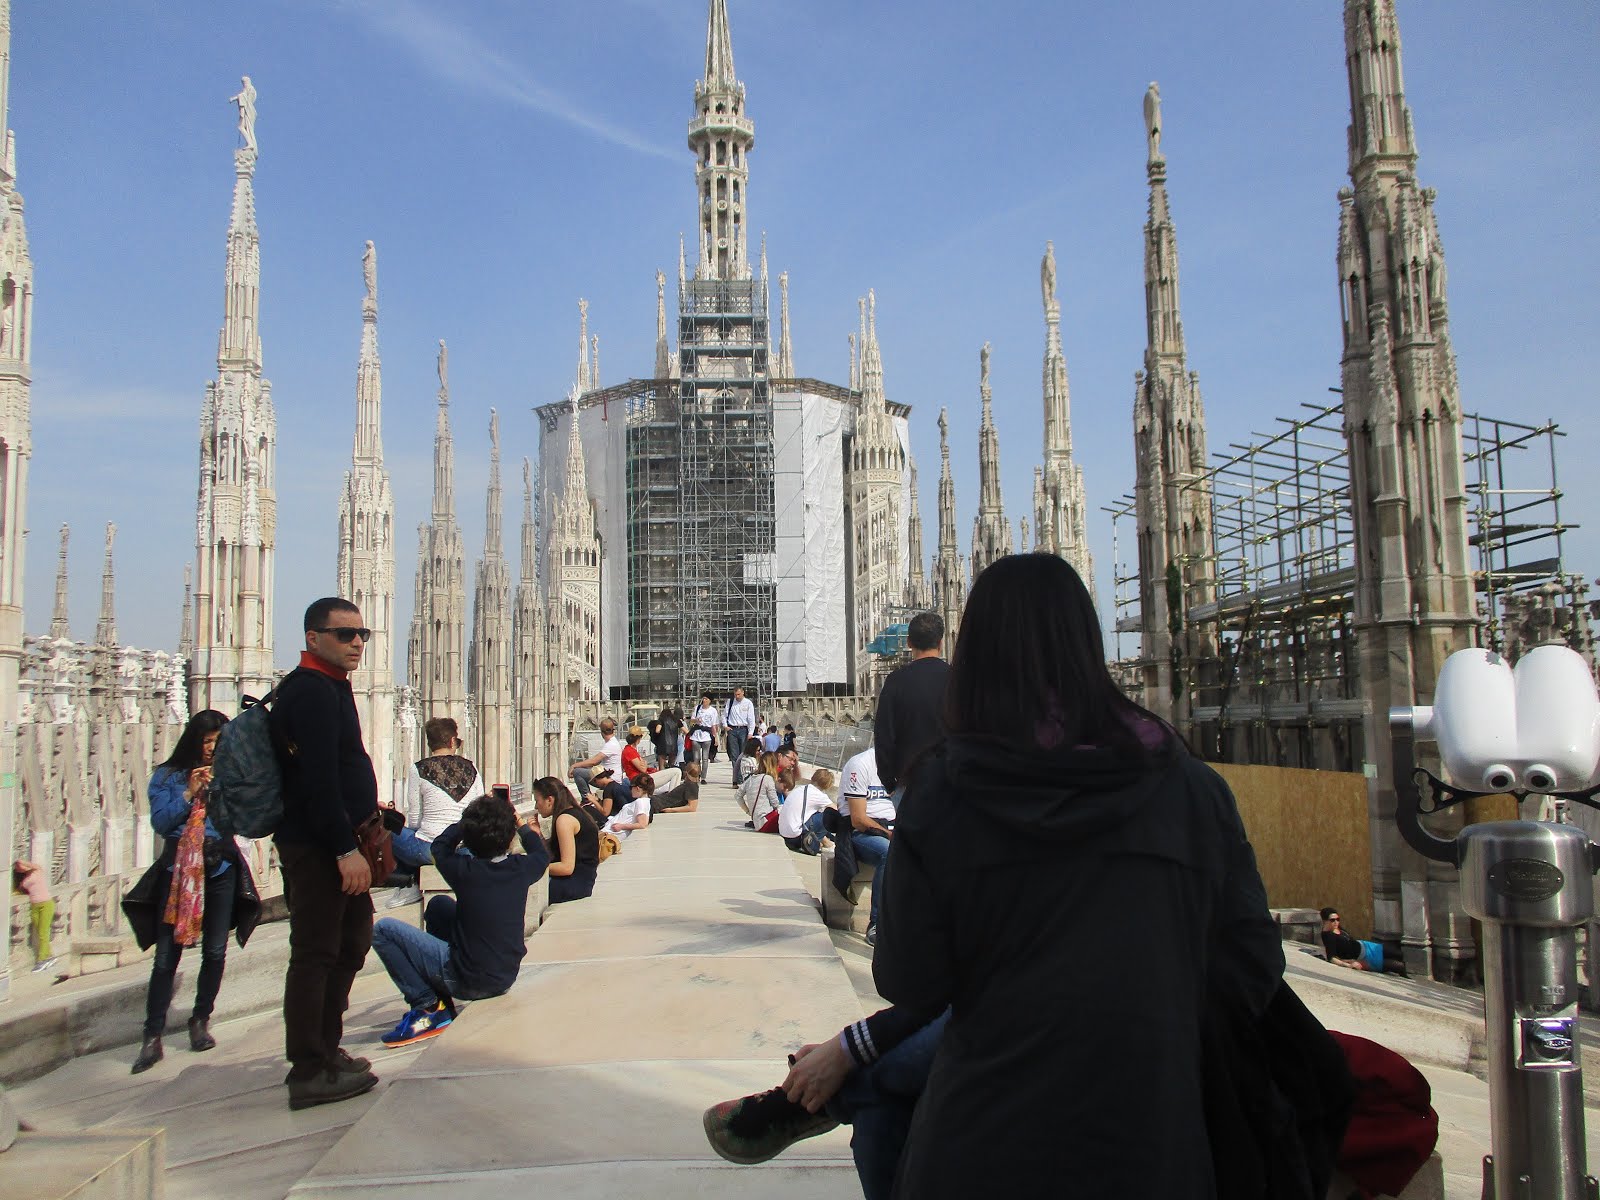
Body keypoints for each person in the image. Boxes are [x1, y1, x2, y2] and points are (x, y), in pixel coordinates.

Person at [870, 554, 1286, 1198]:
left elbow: (907, 976)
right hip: (1153, 1146)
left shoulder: (942, 794)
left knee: (874, 1111)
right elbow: (1252, 964)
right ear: (1088, 646)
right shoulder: (1193, 791)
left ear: (975, 657)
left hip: (982, 1150)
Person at [271, 597, 384, 1111]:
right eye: (345, 634)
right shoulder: (313, 692)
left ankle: (325, 1048)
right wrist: (343, 849)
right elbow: (316, 781)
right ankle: (308, 1069)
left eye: (362, 634)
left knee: (351, 940)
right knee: (316, 953)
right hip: (320, 849)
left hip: (342, 839)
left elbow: (337, 770)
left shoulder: (330, 687)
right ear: (313, 638)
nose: (357, 642)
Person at [124, 709, 261, 1074]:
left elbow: (246, 819)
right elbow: (161, 821)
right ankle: (151, 1035)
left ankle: (200, 1020)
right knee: (166, 957)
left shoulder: (230, 774)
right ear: (194, 741)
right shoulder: (168, 777)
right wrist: (190, 792)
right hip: (178, 872)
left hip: (220, 868)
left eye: (219, 742)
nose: (212, 749)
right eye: (208, 741)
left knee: (215, 951)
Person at [371, 794, 550, 1047]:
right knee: (439, 906)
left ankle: (428, 1007)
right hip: (504, 976)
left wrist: (464, 822)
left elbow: (439, 847)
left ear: (469, 837)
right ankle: (442, 997)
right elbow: (541, 855)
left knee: (383, 930)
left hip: (468, 981)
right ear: (510, 837)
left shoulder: (464, 870)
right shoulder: (520, 869)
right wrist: (519, 823)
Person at [389, 717, 486, 902]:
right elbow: (480, 810)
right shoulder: (471, 768)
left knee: (389, 829)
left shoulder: (418, 769)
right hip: (465, 849)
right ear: (451, 741)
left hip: (429, 850)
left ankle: (408, 884)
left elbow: (415, 819)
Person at [873, 611, 950, 796]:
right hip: (952, 785)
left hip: (910, 786)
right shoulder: (958, 680)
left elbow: (883, 737)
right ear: (941, 642)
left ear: (908, 643)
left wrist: (890, 783)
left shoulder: (895, 681)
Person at [838, 746, 894, 945]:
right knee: (889, 852)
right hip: (862, 832)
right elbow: (858, 819)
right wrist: (889, 834)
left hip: (893, 826)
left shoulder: (904, 765)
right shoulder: (861, 764)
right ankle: (877, 924)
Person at [533, 777, 600, 903]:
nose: (536, 806)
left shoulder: (564, 820)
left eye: (537, 800)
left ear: (549, 800)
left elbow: (566, 867)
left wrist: (531, 866)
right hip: (582, 883)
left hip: (572, 885)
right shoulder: (575, 813)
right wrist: (538, 836)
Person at [1321, 907, 1405, 974]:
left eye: (1337, 919)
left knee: (1398, 953)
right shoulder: (1328, 936)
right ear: (1325, 921)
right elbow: (1331, 958)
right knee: (1398, 966)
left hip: (1366, 946)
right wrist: (1348, 965)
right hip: (1364, 958)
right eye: (1332, 920)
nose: (1336, 922)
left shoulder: (1337, 927)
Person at [11, 860, 56, 974]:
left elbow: (32, 865)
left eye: (20, 867)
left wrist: (20, 862)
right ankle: (50, 956)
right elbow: (18, 891)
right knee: (39, 932)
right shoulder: (23, 879)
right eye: (17, 868)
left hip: (46, 903)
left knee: (43, 932)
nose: (19, 868)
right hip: (34, 905)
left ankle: (41, 960)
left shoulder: (37, 871)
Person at [779, 768, 835, 855]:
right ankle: (817, 843)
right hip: (796, 837)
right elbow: (837, 811)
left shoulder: (800, 789)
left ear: (813, 778)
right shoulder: (819, 794)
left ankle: (826, 843)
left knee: (816, 814)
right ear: (827, 785)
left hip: (785, 835)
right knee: (830, 816)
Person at [569, 718, 621, 800]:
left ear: (601, 732)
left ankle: (586, 799)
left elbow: (594, 761)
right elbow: (596, 762)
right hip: (611, 776)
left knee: (578, 772)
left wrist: (574, 765)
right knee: (583, 769)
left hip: (610, 778)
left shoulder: (611, 744)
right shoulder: (613, 742)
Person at [603, 774, 655, 842]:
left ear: (637, 788)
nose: (630, 790)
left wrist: (621, 826)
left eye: (631, 787)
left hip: (611, 833)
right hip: (610, 832)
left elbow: (642, 824)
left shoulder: (640, 802)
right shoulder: (645, 801)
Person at [724, 687, 756, 783]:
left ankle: (742, 776)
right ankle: (737, 778)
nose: (737, 696)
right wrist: (725, 726)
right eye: (735, 695)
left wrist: (750, 732)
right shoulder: (730, 702)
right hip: (732, 729)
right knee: (734, 755)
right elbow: (724, 715)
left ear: (743, 693)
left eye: (738, 694)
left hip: (743, 729)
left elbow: (751, 719)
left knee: (743, 754)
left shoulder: (748, 703)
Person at [690, 693, 719, 772]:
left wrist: (715, 737)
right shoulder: (697, 708)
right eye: (703, 698)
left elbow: (714, 725)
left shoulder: (713, 711)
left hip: (706, 735)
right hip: (696, 734)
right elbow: (692, 720)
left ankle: (703, 776)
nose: (704, 700)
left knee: (705, 758)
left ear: (710, 701)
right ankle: (696, 774)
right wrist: (696, 720)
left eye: (706, 699)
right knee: (696, 758)